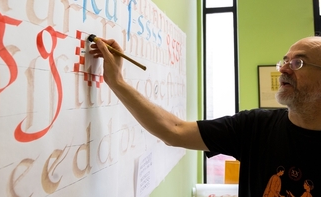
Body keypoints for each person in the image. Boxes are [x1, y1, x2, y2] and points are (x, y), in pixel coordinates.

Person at [89, 36, 321, 197]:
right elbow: (174, 130)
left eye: (297, 62)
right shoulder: (255, 126)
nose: (282, 69)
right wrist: (117, 81)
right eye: (285, 60)